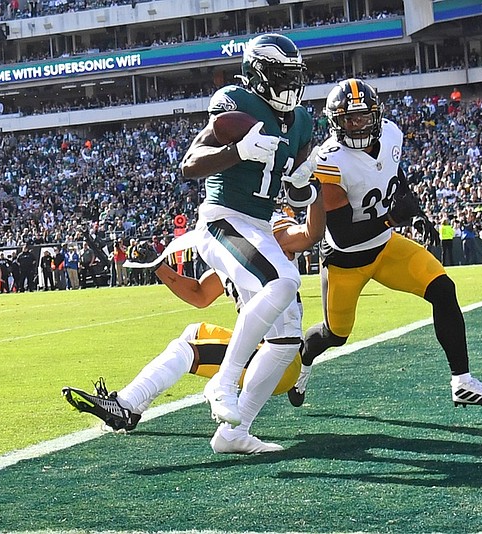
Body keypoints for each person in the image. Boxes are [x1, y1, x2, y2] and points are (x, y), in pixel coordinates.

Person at [295, 78, 482, 410]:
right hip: (345, 260)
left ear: (376, 116)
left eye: (363, 116)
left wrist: (416, 212)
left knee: (443, 290)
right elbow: (344, 234)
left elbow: (394, 172)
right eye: (349, 119)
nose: (357, 124)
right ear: (336, 122)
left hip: (384, 246)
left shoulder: (391, 133)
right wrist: (393, 219)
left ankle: (462, 382)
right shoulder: (330, 160)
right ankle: (303, 360)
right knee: (335, 334)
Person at [63, 201, 325, 454]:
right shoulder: (239, 243)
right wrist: (158, 267)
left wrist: (316, 193)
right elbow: (200, 294)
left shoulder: (269, 231)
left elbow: (305, 235)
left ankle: (125, 404)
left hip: (279, 359)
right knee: (193, 332)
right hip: (265, 348)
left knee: (187, 350)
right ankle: (132, 409)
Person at [179, 33, 320, 434]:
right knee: (284, 281)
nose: (291, 85)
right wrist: (236, 152)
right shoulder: (237, 103)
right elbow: (190, 164)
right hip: (224, 218)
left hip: (259, 224)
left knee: (288, 337)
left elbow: (294, 191)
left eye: (295, 76)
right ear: (257, 74)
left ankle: (234, 433)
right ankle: (223, 381)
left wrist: (302, 184)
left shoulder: (303, 122)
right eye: (281, 75)